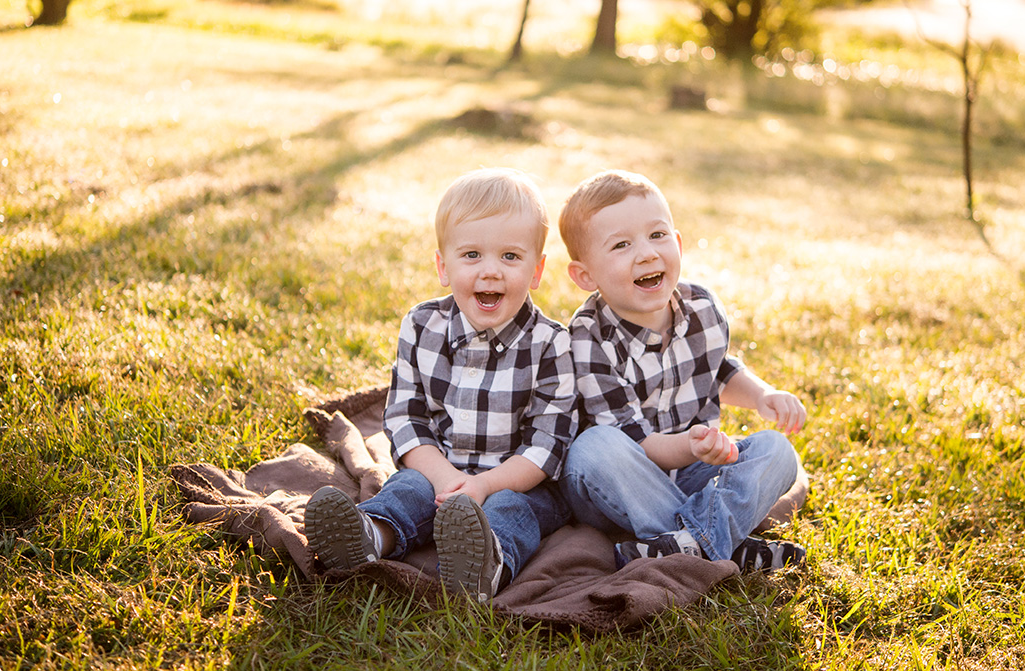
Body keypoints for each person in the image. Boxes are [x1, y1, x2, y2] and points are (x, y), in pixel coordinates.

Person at [304, 168, 577, 602]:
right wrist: (446, 478)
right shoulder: (422, 325)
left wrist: (484, 487)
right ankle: (368, 536)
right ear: (443, 266)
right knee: (407, 490)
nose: (491, 271)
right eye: (472, 255)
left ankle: (485, 565)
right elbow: (406, 418)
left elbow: (548, 445)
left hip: (518, 482)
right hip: (439, 468)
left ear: (537, 270)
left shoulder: (551, 343)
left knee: (513, 512)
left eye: (510, 256)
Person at [557, 169, 808, 571]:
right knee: (595, 447)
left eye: (657, 235)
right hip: (619, 483)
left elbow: (716, 370)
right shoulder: (588, 337)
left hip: (691, 471)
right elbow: (636, 442)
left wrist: (762, 395)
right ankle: (722, 541)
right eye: (621, 244)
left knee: (777, 452)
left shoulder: (701, 307)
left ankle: (686, 545)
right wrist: (691, 446)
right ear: (586, 275)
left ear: (677, 243)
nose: (646, 253)